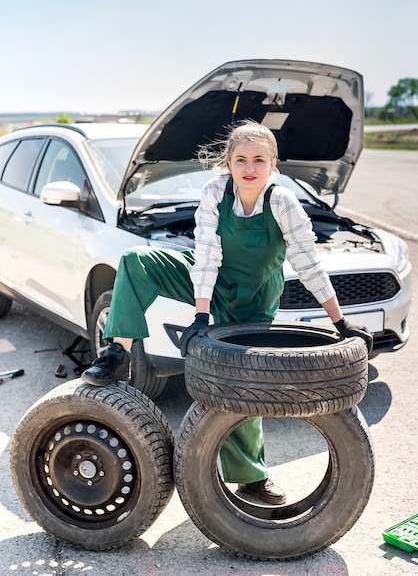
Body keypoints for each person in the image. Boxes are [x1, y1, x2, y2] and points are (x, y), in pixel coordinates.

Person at [81, 120, 373, 505]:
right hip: (211, 279)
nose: (249, 168)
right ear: (228, 163)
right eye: (240, 159)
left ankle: (252, 478)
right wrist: (201, 317)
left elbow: (308, 264)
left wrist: (341, 322)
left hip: (252, 299)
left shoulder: (282, 202)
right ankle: (117, 354)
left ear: (273, 165)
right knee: (136, 261)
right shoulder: (215, 191)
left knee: (239, 381)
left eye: (258, 160)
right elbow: (206, 255)